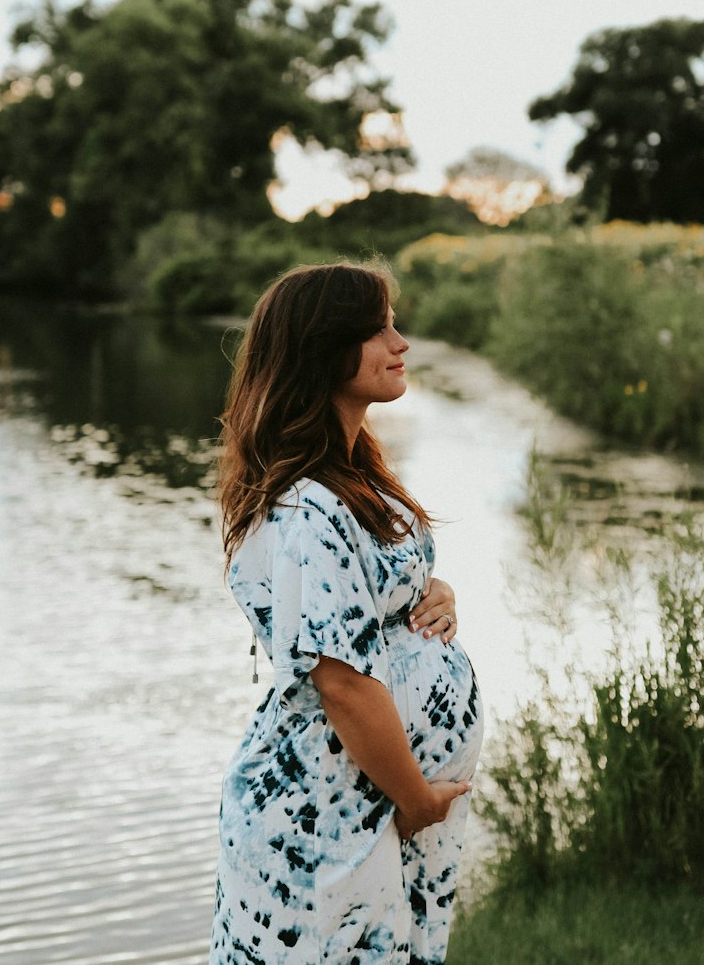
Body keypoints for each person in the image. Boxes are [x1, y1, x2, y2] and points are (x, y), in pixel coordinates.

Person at [209, 262, 483, 964]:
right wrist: (417, 799)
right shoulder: (309, 505)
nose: (401, 342)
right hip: (329, 814)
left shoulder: (354, 472)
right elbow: (342, 682)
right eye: (377, 329)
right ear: (324, 348)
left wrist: (431, 590)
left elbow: (363, 595)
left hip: (368, 806)